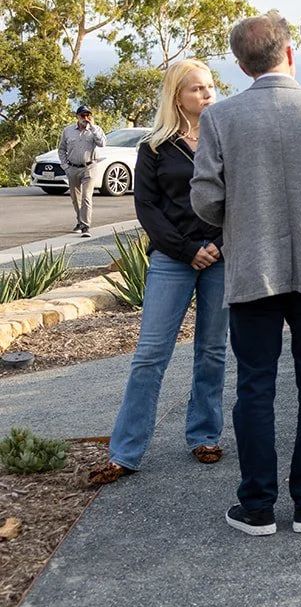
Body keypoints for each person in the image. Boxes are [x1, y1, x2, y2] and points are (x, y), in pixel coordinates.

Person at [191, 12, 301, 536]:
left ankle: (258, 504)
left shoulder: (220, 118)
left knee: (255, 386)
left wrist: (240, 213)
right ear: (290, 52)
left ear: (241, 65)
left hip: (252, 269)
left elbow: (205, 199)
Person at [90, 61, 228, 486]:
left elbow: (241, 197)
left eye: (210, 87)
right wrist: (189, 250)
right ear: (177, 97)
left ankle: (204, 433)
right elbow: (147, 209)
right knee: (150, 354)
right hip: (172, 258)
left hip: (222, 255)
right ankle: (125, 452)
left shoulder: (226, 139)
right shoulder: (153, 147)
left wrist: (218, 246)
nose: (207, 95)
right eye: (197, 89)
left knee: (212, 350)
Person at [59, 105, 105, 236]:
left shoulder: (95, 130)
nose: (86, 118)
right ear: (77, 117)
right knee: (75, 198)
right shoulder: (68, 131)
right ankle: (80, 221)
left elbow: (102, 143)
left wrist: (93, 128)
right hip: (72, 168)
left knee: (86, 197)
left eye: (88, 115)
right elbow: (62, 149)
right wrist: (65, 166)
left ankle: (85, 226)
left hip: (89, 167)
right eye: (83, 116)